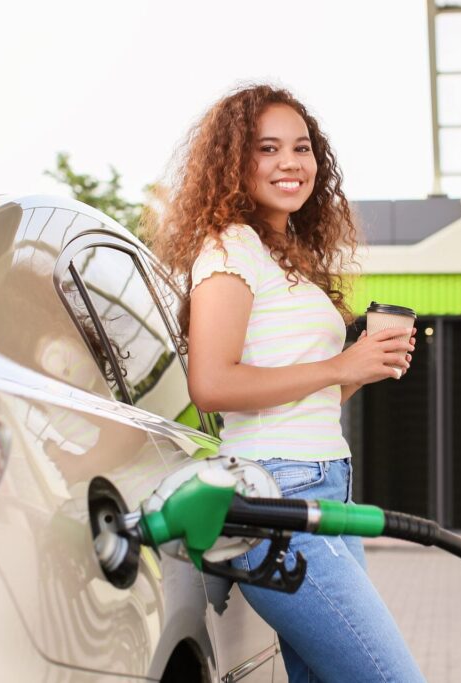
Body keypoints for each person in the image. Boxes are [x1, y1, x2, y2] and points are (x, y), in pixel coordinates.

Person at [149, 83, 424, 682]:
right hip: (275, 495)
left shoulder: (287, 253)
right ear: (233, 162)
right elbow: (212, 385)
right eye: (267, 149)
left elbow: (303, 396)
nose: (290, 163)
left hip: (326, 487)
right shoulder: (229, 248)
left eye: (301, 148)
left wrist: (360, 369)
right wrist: (338, 366)